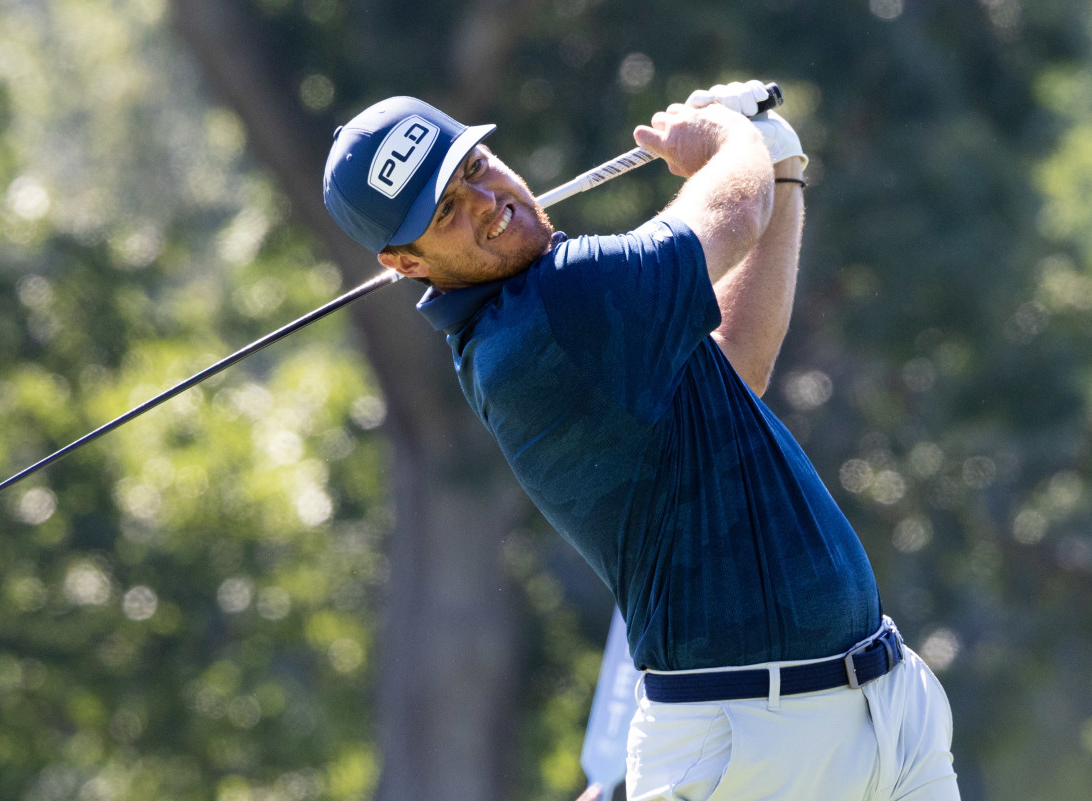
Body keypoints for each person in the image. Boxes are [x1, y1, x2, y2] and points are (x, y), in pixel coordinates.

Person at [322, 81, 959, 800]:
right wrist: (727, 136)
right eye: (445, 213)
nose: (485, 203)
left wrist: (780, 166)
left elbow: (737, 362)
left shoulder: (563, 309)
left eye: (474, 166)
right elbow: (734, 209)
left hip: (881, 705)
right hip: (747, 746)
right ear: (407, 263)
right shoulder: (552, 310)